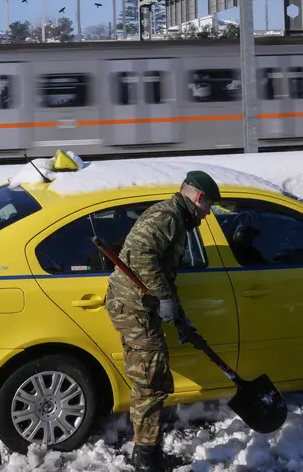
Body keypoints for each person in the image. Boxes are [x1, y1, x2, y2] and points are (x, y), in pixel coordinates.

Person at [104, 170, 219, 472]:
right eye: (210, 206)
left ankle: (146, 453)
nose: (209, 214)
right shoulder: (167, 216)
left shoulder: (176, 218)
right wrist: (164, 298)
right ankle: (148, 461)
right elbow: (141, 258)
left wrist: (179, 314)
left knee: (149, 380)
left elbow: (163, 271)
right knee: (150, 382)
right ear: (199, 197)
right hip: (133, 308)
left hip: (139, 306)